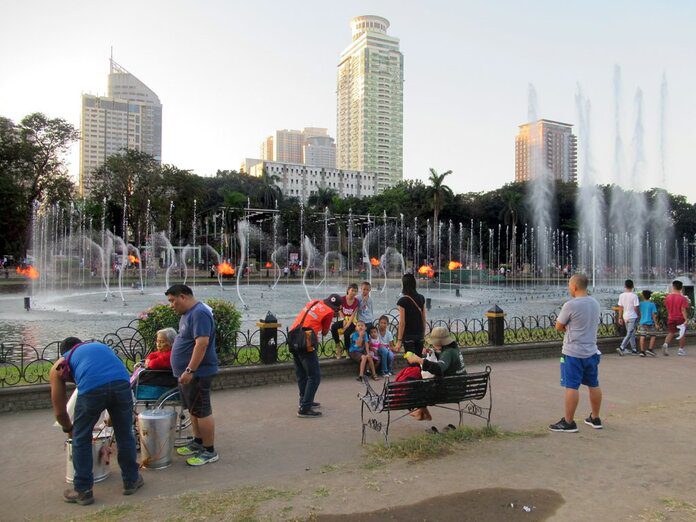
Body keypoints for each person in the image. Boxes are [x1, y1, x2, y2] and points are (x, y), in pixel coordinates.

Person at [50, 338, 142, 506]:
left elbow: (60, 412)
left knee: (81, 438)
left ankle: (83, 490)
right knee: (125, 433)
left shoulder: (61, 362)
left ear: (63, 352)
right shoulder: (99, 347)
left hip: (93, 388)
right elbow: (111, 380)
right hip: (122, 383)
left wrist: (69, 429)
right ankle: (131, 480)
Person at [166, 284, 219, 466]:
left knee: (202, 410)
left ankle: (209, 450)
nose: (171, 305)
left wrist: (190, 370)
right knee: (194, 409)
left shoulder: (199, 313)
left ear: (183, 297)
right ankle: (198, 442)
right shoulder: (187, 314)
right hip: (188, 374)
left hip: (198, 373)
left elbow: (202, 343)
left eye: (173, 301)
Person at [549, 273, 603, 433]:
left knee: (571, 386)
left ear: (574, 287)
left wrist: (566, 327)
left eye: (569, 285)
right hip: (592, 351)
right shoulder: (595, 303)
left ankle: (569, 422)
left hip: (573, 352)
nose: (568, 288)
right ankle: (595, 417)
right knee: (594, 384)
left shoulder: (571, 305)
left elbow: (558, 326)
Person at [290, 294, 342, 417]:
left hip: (293, 335)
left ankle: (304, 401)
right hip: (306, 339)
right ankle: (305, 408)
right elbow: (324, 333)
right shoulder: (329, 312)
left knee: (302, 373)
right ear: (336, 308)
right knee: (315, 376)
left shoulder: (314, 302)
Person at [406, 326, 466, 421]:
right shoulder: (454, 349)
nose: (433, 345)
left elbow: (438, 368)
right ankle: (420, 412)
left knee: (419, 384)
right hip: (461, 388)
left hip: (451, 391)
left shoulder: (448, 353)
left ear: (439, 343)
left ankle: (420, 412)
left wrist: (419, 360)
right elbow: (445, 361)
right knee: (425, 385)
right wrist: (433, 353)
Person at [395, 273, 427, 356]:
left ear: (404, 285)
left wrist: (399, 340)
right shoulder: (421, 298)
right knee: (418, 359)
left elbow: (402, 322)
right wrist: (423, 334)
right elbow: (424, 318)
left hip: (408, 336)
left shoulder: (402, 301)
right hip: (419, 335)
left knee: (411, 360)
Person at [661, 280, 690, 356]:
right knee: (682, 334)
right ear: (681, 288)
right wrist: (686, 319)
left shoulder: (668, 297)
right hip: (680, 318)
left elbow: (667, 307)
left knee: (671, 332)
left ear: (673, 287)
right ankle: (681, 350)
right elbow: (683, 309)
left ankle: (665, 344)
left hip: (671, 317)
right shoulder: (683, 298)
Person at [330, 283, 359, 359]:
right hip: (343, 319)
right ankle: (338, 347)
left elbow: (353, 316)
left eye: (355, 291)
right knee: (333, 327)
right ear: (348, 290)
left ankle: (347, 350)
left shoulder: (356, 301)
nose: (353, 293)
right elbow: (340, 311)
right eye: (352, 290)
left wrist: (345, 327)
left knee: (346, 333)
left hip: (352, 322)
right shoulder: (342, 299)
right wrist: (343, 320)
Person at [617, 279, 639, 356]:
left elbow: (620, 307)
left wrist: (619, 317)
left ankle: (634, 349)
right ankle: (622, 347)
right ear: (633, 286)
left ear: (625, 286)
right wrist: (638, 315)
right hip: (632, 316)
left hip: (625, 316)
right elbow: (636, 308)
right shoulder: (634, 296)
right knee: (630, 333)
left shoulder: (621, 295)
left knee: (631, 332)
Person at [637, 290, 659, 357]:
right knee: (653, 335)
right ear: (650, 296)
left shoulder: (640, 304)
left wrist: (640, 319)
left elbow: (639, 313)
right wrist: (656, 324)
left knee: (642, 336)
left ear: (643, 296)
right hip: (650, 322)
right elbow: (653, 315)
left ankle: (642, 351)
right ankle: (650, 349)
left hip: (642, 322)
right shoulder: (652, 304)